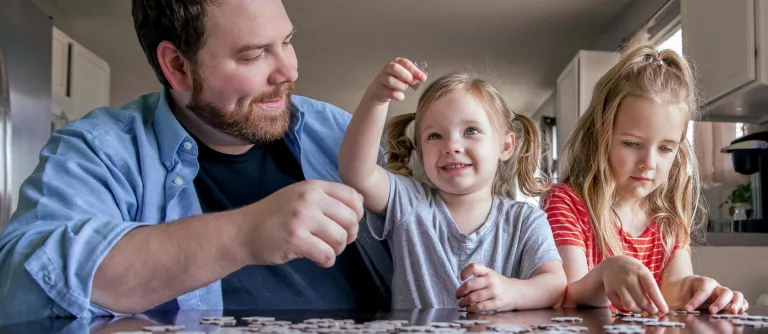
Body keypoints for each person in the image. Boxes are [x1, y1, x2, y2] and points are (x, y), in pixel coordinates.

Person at [0, 0, 393, 323]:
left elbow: (433, 220)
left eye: (287, 42)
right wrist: (243, 234)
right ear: (177, 66)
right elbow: (25, 284)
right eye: (254, 54)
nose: (289, 71)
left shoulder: (338, 131)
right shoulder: (101, 150)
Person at [338, 58, 566, 313]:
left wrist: (512, 292)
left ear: (505, 145)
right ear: (421, 152)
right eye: (435, 136)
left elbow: (555, 285)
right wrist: (377, 99)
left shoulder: (526, 220)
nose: (451, 146)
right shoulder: (409, 202)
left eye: (470, 131)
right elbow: (357, 173)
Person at [542, 45, 748, 315]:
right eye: (631, 143)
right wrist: (605, 276)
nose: (649, 163)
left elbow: (673, 290)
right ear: (600, 136)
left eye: (665, 148)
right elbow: (567, 296)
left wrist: (697, 290)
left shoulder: (670, 218)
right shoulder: (566, 204)